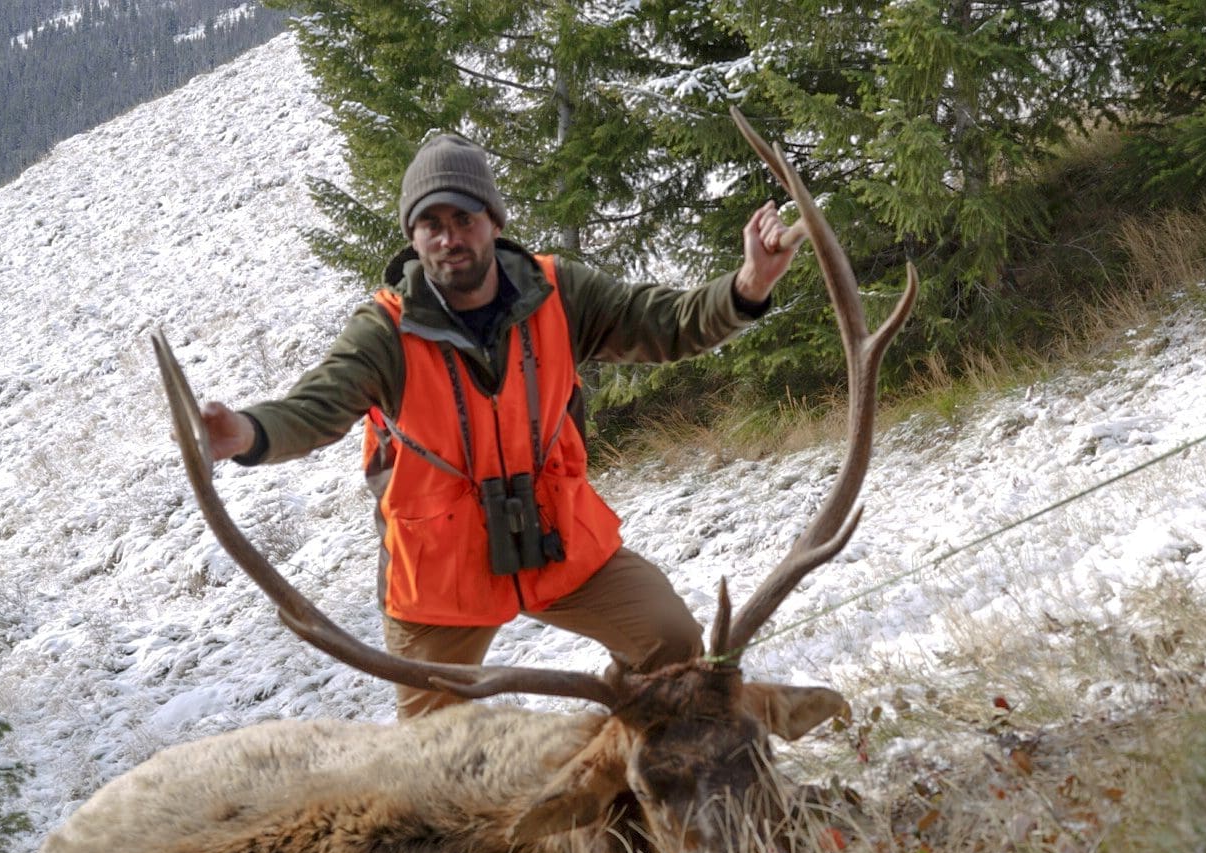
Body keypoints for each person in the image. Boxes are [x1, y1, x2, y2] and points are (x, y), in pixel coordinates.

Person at [200, 132, 801, 719]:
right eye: (431, 223)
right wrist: (248, 433)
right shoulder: (385, 332)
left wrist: (749, 286)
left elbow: (666, 323)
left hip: (557, 544)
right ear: (412, 237)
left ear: (493, 221)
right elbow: (314, 408)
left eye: (463, 219)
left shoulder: (559, 294)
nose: (449, 238)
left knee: (671, 643)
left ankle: (634, 752)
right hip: (440, 577)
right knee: (436, 754)